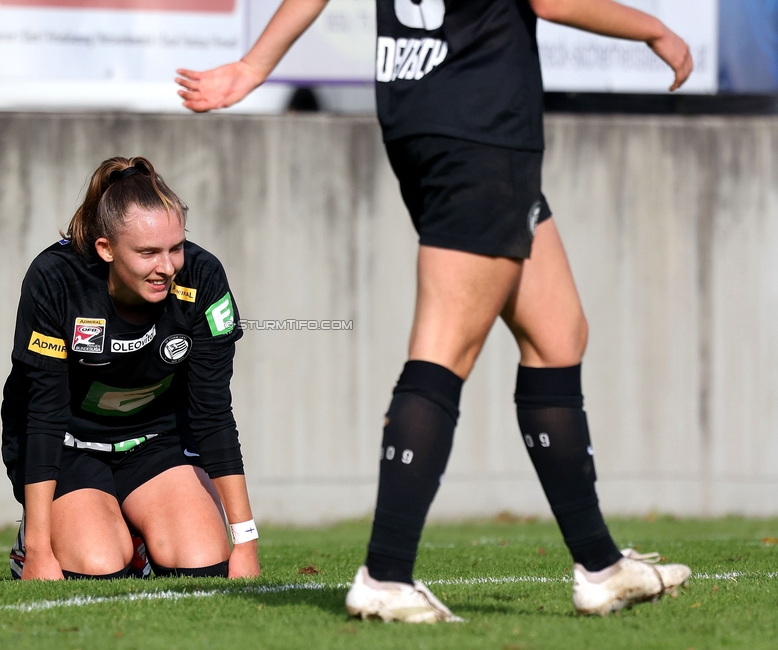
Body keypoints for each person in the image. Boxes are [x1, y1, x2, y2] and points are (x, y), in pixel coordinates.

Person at [177, 0, 693, 621]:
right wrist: (654, 28)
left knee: (559, 335)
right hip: (479, 123)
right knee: (444, 348)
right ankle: (386, 574)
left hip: (423, 111)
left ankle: (601, 566)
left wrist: (256, 66)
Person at [1, 156, 260, 581]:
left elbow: (213, 413)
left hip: (158, 441)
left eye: (175, 248)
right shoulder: (55, 280)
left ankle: (140, 533)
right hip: (70, 445)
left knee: (204, 562)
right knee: (98, 564)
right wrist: (39, 550)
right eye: (147, 252)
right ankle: (47, 531)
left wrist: (245, 542)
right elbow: (43, 415)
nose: (167, 267)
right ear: (106, 248)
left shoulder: (204, 278)